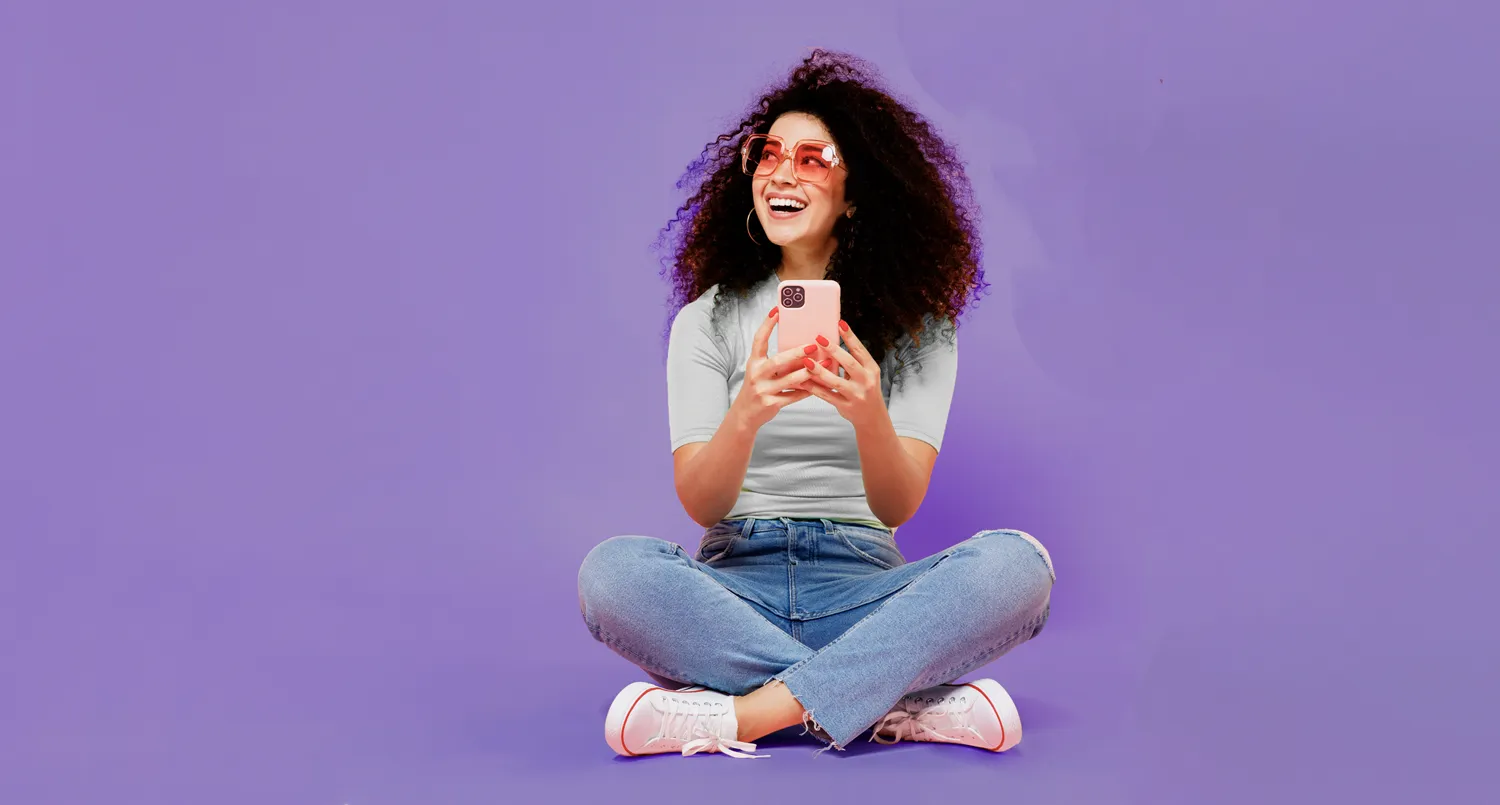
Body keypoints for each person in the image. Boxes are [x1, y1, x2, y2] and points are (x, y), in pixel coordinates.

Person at [577, 49, 1055, 759]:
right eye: (767, 154)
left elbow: (897, 507)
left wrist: (866, 413)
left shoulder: (919, 327)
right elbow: (702, 503)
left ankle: (739, 717)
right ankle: (892, 697)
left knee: (1020, 566)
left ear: (855, 192)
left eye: (813, 158)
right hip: (735, 586)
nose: (783, 172)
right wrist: (746, 414)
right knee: (610, 573)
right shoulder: (704, 323)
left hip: (865, 587)